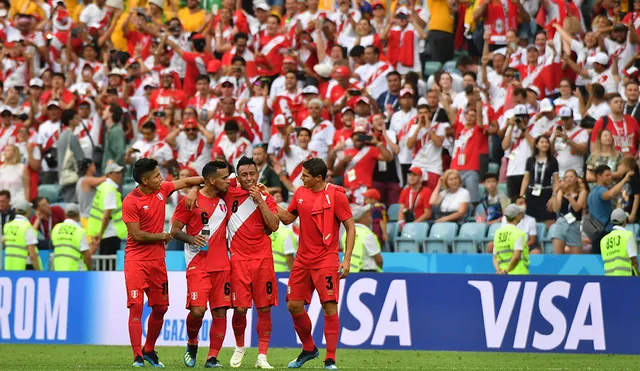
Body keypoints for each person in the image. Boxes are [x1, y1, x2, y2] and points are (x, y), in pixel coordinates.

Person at [121, 158, 203, 368]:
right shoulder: (131, 201)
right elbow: (136, 235)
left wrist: (202, 184)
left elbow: (185, 183)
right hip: (136, 261)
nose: (162, 178)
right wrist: (160, 236)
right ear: (145, 180)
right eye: (157, 176)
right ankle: (137, 355)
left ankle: (149, 350)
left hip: (157, 261)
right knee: (136, 307)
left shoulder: (162, 190)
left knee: (161, 308)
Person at [276, 158, 355, 370]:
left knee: (329, 307)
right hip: (302, 260)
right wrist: (267, 200)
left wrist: (346, 258)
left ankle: (330, 359)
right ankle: (309, 348)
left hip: (326, 259)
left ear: (318, 178)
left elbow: (350, 226)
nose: (301, 178)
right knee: (294, 305)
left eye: (305, 176)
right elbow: (286, 219)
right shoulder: (300, 193)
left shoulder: (336, 195)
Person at [170, 160, 231, 369]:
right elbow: (174, 231)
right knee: (197, 311)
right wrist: (192, 239)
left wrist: (194, 187)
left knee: (220, 312)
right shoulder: (190, 202)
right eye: (224, 178)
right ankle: (192, 342)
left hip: (223, 265)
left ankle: (212, 357)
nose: (228, 181)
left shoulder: (226, 195)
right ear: (212, 180)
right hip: (198, 264)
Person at [225, 157, 280, 369]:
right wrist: (193, 191)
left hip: (263, 260)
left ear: (258, 175)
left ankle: (262, 356)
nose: (249, 178)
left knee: (264, 308)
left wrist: (261, 200)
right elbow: (207, 181)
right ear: (238, 176)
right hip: (238, 260)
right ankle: (239, 347)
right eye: (244, 175)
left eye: (252, 174)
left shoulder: (265, 197)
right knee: (239, 309)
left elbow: (274, 225)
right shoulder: (228, 192)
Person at [588, 165, 635, 253]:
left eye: (610, 175)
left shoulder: (592, 192)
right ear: (599, 176)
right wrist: (624, 180)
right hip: (604, 232)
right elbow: (610, 194)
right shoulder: (601, 191)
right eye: (607, 175)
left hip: (594, 232)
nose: (610, 177)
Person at [87, 163, 127, 257]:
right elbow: (106, 215)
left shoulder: (103, 187)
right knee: (108, 267)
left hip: (105, 233)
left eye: (120, 172)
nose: (120, 175)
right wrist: (100, 234)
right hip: (110, 233)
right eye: (116, 173)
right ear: (109, 174)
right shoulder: (110, 190)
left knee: (104, 266)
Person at [549, 170, 588, 254]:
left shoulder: (582, 191)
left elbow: (577, 208)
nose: (568, 179)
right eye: (566, 177)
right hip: (561, 222)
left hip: (574, 223)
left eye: (571, 177)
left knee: (576, 255)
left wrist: (568, 194)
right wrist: (554, 193)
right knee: (558, 255)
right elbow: (556, 209)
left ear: (576, 178)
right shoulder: (560, 191)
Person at [52, 203, 95, 271]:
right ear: (78, 215)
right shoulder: (80, 231)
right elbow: (87, 257)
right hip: (75, 271)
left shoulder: (56, 228)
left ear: (65, 215)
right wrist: (90, 270)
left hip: (58, 269)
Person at [342, 204, 383, 272]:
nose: (370, 219)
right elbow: (379, 260)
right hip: (368, 273)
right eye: (369, 216)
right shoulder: (367, 235)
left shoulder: (346, 233)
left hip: (349, 272)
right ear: (362, 218)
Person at [3, 199, 41, 271]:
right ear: (28, 211)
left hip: (9, 267)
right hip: (23, 268)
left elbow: (4, 240)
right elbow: (32, 255)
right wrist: (39, 271)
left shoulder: (8, 226)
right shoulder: (26, 226)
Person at [492, 204, 529, 275]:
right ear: (516, 216)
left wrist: (499, 271)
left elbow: (495, 257)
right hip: (519, 274)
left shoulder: (498, 233)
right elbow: (516, 257)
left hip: (502, 276)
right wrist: (506, 271)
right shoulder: (518, 233)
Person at [600, 208, 638, 276]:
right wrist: (637, 274)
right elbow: (634, 260)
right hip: (625, 278)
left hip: (609, 278)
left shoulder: (603, 240)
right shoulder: (627, 235)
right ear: (625, 221)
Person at [76, 159, 106, 229]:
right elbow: (104, 179)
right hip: (88, 218)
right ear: (89, 166)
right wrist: (110, 170)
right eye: (93, 165)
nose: (95, 167)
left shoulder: (83, 180)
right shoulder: (86, 180)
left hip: (91, 218)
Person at [101, 104, 126, 173]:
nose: (103, 112)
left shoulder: (116, 131)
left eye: (105, 110)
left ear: (111, 113)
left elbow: (120, 152)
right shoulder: (110, 130)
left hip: (113, 175)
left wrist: (112, 167)